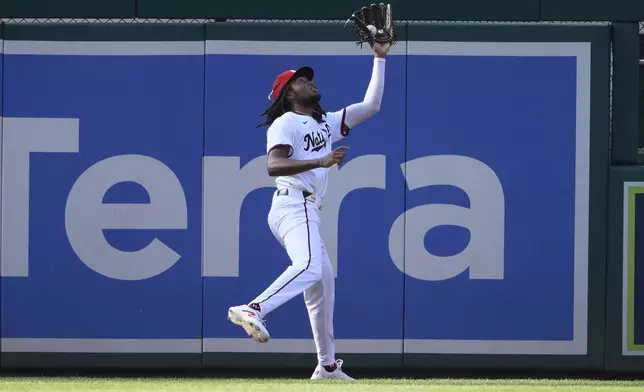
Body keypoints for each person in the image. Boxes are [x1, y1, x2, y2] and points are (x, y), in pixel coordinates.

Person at [228, 41, 391, 380]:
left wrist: (379, 57)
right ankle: (253, 308)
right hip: (293, 202)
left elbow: (371, 105)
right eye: (300, 80)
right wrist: (321, 160)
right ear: (288, 94)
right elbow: (273, 164)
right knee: (308, 267)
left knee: (322, 282)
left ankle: (327, 366)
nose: (309, 81)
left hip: (307, 208)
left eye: (307, 78)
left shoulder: (324, 124)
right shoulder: (286, 122)